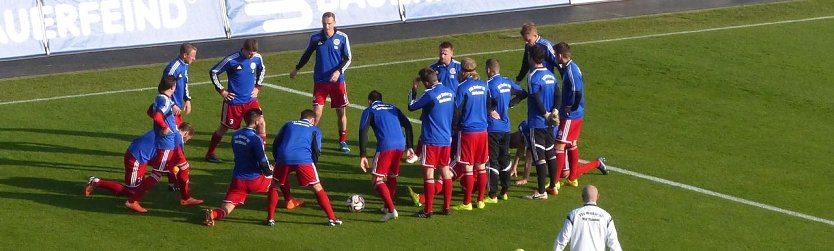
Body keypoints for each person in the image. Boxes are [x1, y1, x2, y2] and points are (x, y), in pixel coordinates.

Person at [83, 123, 199, 212]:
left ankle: (182, 193)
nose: (185, 142)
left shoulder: (171, 127)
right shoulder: (177, 138)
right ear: (186, 134)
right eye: (187, 139)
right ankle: (96, 182)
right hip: (136, 158)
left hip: (143, 156)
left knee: (148, 181)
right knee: (132, 191)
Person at [290, 12, 353, 153]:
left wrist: (338, 72)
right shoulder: (316, 37)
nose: (327, 26)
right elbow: (307, 54)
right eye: (324, 23)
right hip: (320, 81)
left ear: (334, 23)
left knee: (340, 112)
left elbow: (348, 58)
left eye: (329, 23)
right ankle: (310, 139)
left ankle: (342, 141)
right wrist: (297, 68)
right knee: (316, 113)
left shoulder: (342, 38)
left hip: (337, 83)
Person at [204, 109, 277, 226]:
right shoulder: (255, 139)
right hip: (254, 180)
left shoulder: (235, 135)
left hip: (238, 180)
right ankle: (271, 219)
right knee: (276, 182)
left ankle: (213, 214)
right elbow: (263, 162)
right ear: (257, 121)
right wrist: (271, 171)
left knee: (226, 208)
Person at [271, 109, 343, 226]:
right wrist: (314, 164)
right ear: (313, 120)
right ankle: (332, 218)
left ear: (301, 117)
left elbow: (276, 142)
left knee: (275, 185)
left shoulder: (288, 124)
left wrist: (277, 160)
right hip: (303, 160)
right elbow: (316, 150)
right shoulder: (315, 129)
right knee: (317, 187)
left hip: (283, 157)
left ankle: (270, 219)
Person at [552, 42, 608, 189]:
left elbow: (578, 92)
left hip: (571, 115)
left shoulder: (571, 70)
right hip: (576, 115)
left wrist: (573, 107)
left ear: (559, 55)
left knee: (559, 145)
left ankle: (555, 182)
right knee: (572, 144)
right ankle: (572, 178)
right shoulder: (569, 68)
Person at [205, 39, 267, 163]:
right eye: (250, 53)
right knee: (224, 127)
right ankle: (210, 153)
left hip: (250, 100)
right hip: (234, 102)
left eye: (254, 53)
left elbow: (262, 69)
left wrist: (257, 87)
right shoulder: (231, 60)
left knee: (261, 123)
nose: (252, 56)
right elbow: (213, 72)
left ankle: (260, 156)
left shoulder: (257, 57)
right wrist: (222, 91)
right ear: (244, 49)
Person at [358, 90, 414, 222]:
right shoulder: (393, 107)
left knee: (377, 180)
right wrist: (410, 146)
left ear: (369, 101)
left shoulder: (370, 110)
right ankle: (386, 206)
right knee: (392, 176)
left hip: (385, 146)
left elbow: (363, 131)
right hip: (400, 145)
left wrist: (363, 154)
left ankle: (391, 209)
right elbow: (408, 125)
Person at [407, 68, 455, 218]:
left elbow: (412, 106)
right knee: (445, 172)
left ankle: (428, 210)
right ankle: (446, 207)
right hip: (446, 139)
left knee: (429, 174)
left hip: (431, 140)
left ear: (426, 83)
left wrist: (413, 90)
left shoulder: (430, 94)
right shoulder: (449, 91)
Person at [449, 58, 490, 211]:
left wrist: (453, 128)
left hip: (468, 132)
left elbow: (457, 112)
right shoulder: (484, 85)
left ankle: (467, 203)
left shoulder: (462, 87)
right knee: (481, 167)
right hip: (483, 131)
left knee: (467, 167)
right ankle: (480, 200)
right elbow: (488, 106)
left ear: (462, 71)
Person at [484, 58, 527, 202]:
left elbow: (483, 103)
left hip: (492, 128)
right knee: (505, 158)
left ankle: (493, 194)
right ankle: (505, 191)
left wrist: (490, 110)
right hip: (505, 127)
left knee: (493, 160)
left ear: (489, 70)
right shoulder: (507, 82)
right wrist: (510, 104)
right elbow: (523, 93)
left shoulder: (489, 85)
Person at [522, 46, 561, 200]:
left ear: (532, 58)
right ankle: (553, 185)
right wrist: (555, 111)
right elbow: (558, 94)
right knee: (550, 153)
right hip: (550, 123)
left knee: (539, 156)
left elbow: (536, 98)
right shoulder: (551, 75)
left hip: (538, 122)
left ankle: (540, 191)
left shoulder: (533, 77)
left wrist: (545, 114)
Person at [159, 43, 197, 191]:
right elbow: (162, 88)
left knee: (176, 144)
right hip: (170, 113)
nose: (195, 58)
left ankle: (172, 179)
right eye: (193, 56)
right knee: (174, 144)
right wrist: (173, 104)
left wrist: (187, 99)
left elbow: (185, 83)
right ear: (184, 55)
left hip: (176, 112)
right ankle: (173, 179)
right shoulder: (173, 68)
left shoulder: (184, 66)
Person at [553, 185, 622, 251]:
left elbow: (563, 239)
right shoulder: (606, 216)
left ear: (582, 197)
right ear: (598, 197)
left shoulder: (574, 214)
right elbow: (614, 243)